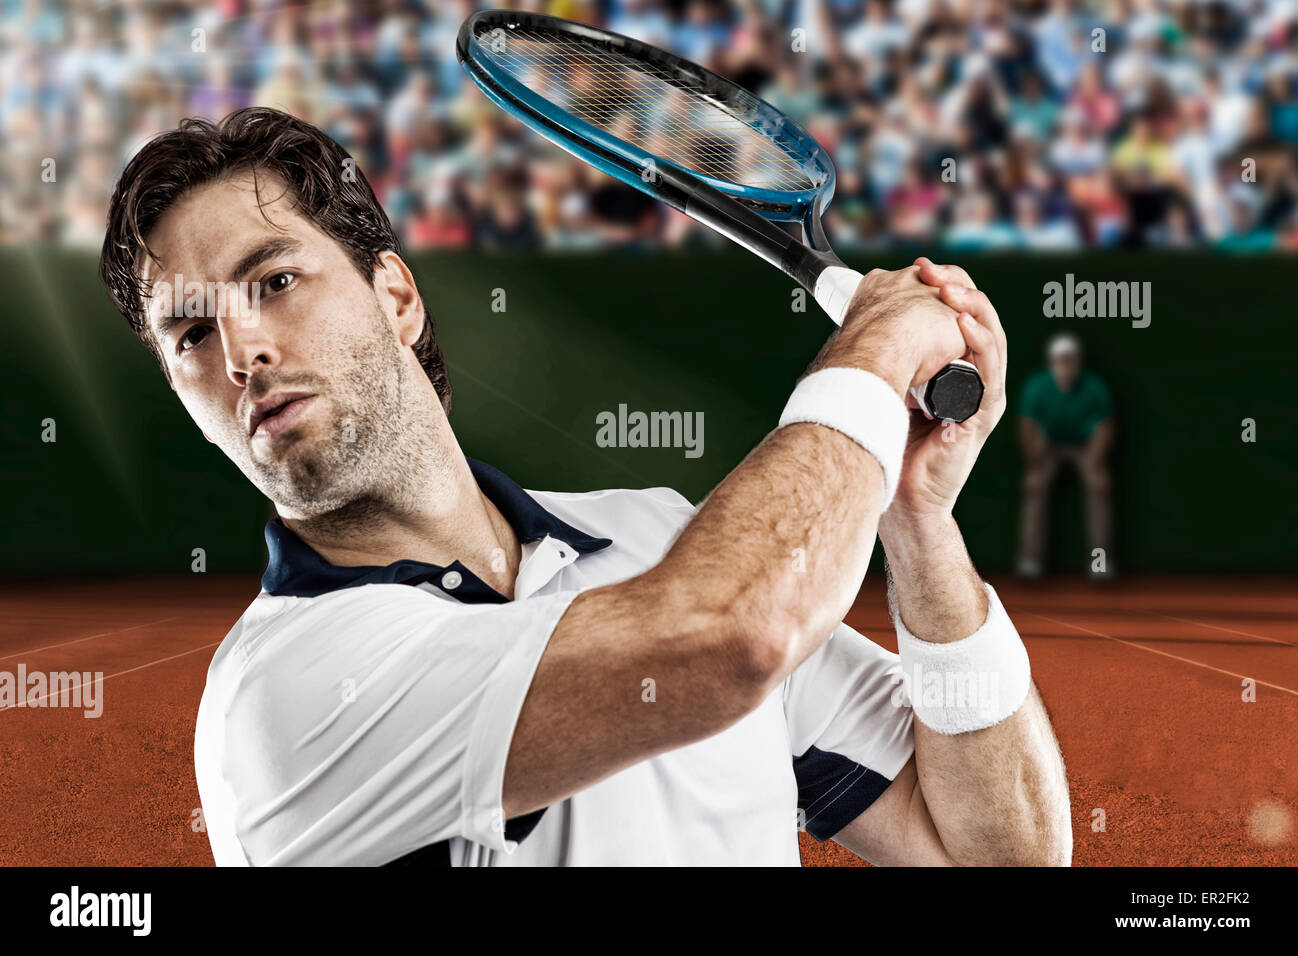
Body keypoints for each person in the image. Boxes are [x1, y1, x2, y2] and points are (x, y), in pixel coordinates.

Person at [98, 107, 1070, 866]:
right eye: (190, 332)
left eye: (273, 279)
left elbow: (998, 850)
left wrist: (915, 520)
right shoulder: (282, 692)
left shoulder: (661, 538)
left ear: (395, 296)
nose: (242, 349)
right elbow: (727, 633)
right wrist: (878, 344)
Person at [1017, 333, 1116, 579]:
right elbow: (1027, 426)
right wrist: (1035, 467)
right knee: (1035, 488)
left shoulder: (1094, 386)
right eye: (1061, 361)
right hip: (1047, 444)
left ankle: (1099, 563)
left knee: (1098, 487)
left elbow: (1105, 426)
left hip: (1085, 444)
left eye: (1071, 360)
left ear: (1078, 362)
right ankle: (1030, 561)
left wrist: (1097, 465)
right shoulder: (1037, 386)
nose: (1066, 366)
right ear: (1051, 363)